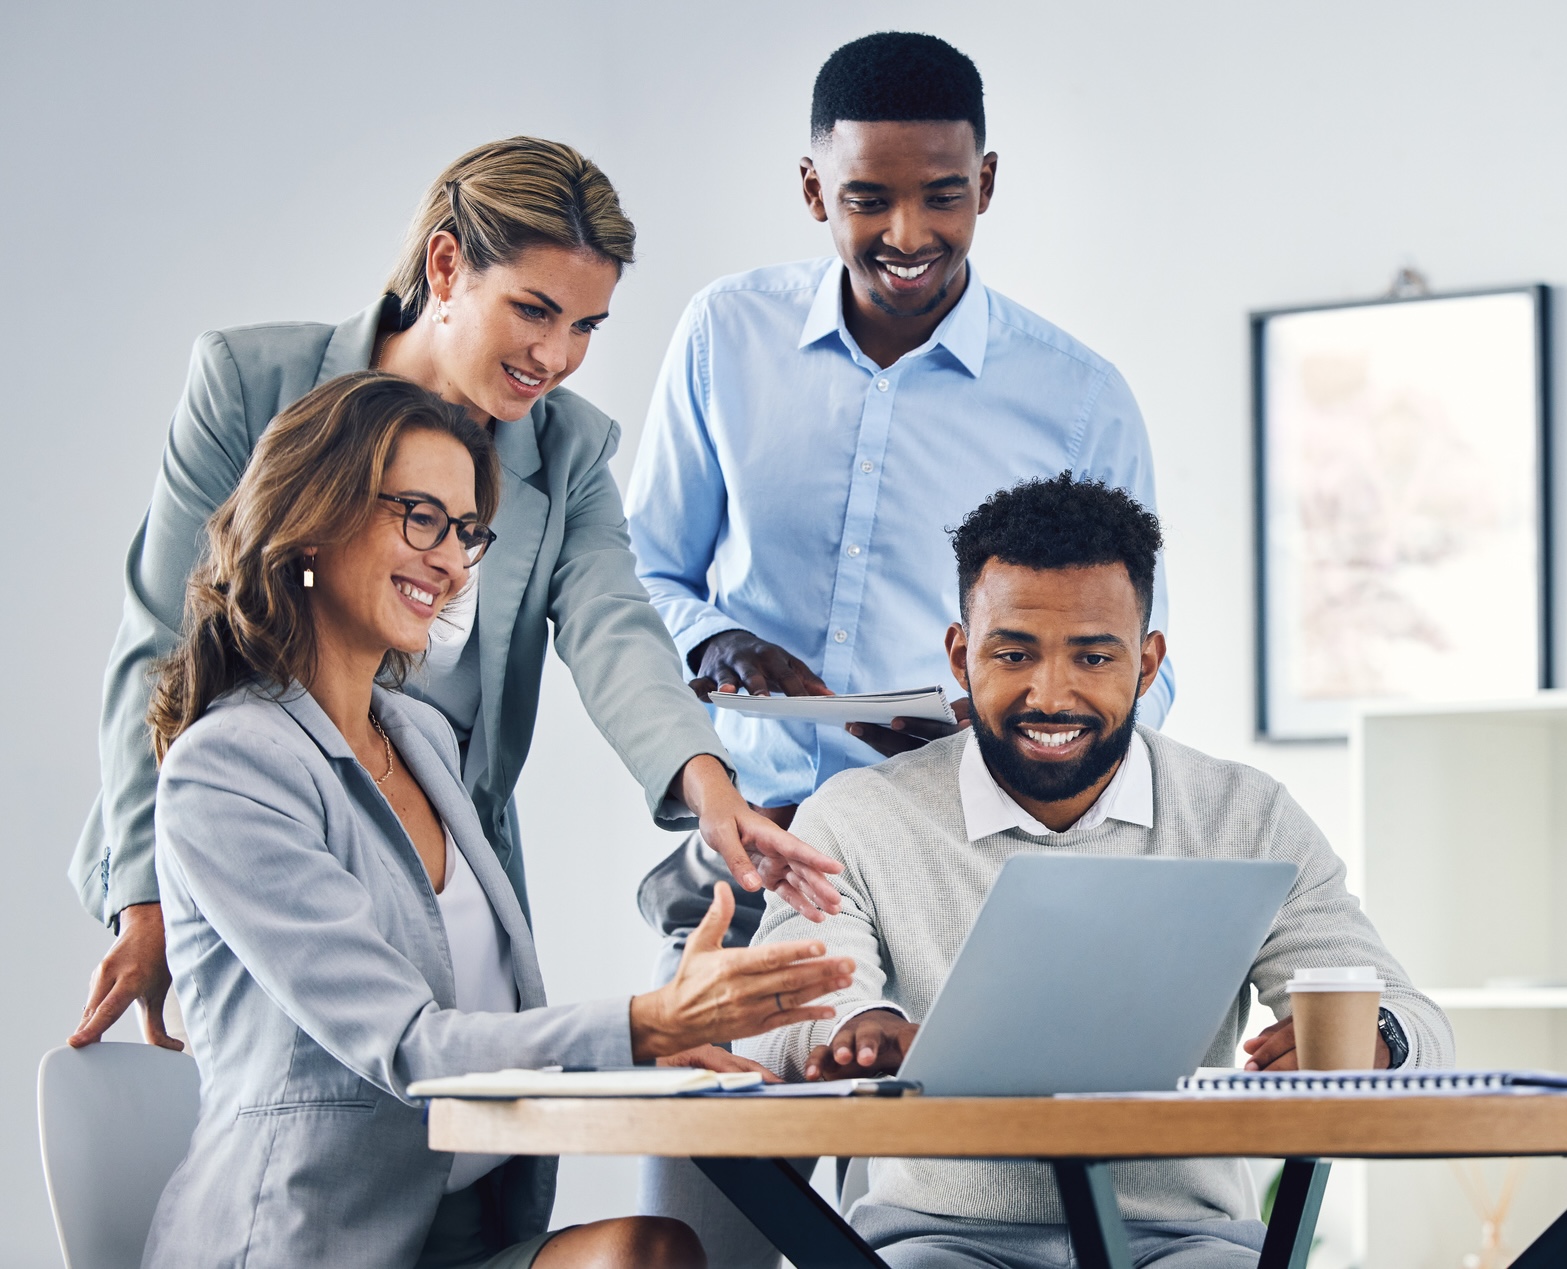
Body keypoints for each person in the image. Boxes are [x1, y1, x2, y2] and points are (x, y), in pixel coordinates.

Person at [70, 135, 842, 1054]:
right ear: (446, 264)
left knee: (471, 1140)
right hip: (259, 833)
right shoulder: (251, 386)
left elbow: (615, 628)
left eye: (587, 327)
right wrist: (146, 897)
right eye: (534, 310)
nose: (555, 355)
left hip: (443, 853)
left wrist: (714, 792)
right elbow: (162, 639)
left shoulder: (566, 451)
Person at [625, 33, 1171, 1256]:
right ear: (816, 189)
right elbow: (636, 573)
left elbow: (1143, 669)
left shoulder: (1077, 399)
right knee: (698, 1235)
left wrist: (992, 720)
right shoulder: (725, 337)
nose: (906, 232)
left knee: (942, 1232)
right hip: (744, 863)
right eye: (868, 198)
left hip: (953, 881)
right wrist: (719, 643)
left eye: (942, 194)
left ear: (987, 184)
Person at [143, 372, 855, 1268]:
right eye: (419, 516)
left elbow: (489, 1015)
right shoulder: (231, 767)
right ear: (313, 516)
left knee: (651, 1251)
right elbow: (407, 1042)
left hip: (464, 1238)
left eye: (467, 530)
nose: (448, 559)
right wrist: (643, 1023)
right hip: (308, 1245)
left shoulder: (423, 738)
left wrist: (655, 1050)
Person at [737, 474, 1454, 1268]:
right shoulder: (861, 813)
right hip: (938, 1241)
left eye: (1093, 655)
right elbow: (773, 1023)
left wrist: (1378, 1041)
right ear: (958, 653)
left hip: (1185, 1243)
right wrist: (845, 1032)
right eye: (1013, 652)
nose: (1051, 693)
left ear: (1146, 664)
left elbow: (1415, 1020)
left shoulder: (1245, 814)